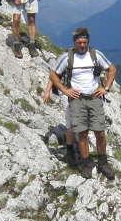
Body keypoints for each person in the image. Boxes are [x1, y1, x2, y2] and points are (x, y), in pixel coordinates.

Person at [49, 27, 117, 180]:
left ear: (88, 42)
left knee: (100, 132)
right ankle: (86, 163)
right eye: (79, 42)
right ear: (74, 42)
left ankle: (103, 162)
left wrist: (106, 88)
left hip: (94, 98)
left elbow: (112, 69)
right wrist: (65, 90)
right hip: (77, 99)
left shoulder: (95, 55)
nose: (82, 45)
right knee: (82, 133)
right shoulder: (67, 57)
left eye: (85, 42)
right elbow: (53, 75)